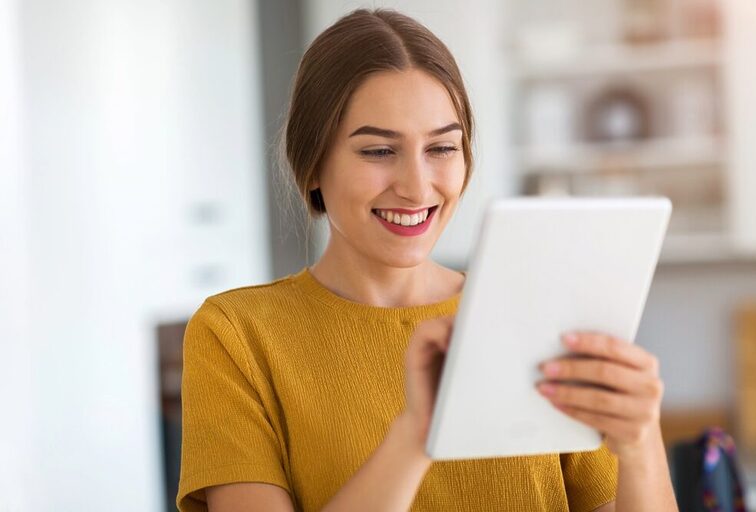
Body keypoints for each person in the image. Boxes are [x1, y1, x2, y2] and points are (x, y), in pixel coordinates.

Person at [176, 8, 678, 512]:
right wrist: (416, 437)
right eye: (377, 151)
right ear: (311, 163)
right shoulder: (235, 336)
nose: (417, 187)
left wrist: (640, 441)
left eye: (440, 148)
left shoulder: (540, 314)